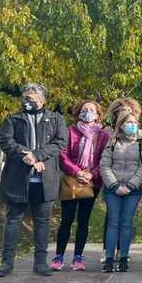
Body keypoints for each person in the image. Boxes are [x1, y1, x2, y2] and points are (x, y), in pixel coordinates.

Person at [0, 83, 68, 277]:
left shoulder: (56, 119)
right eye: (24, 97)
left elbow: (60, 142)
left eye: (30, 99)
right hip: (17, 179)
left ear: (42, 101)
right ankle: (7, 262)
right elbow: (6, 142)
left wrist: (37, 156)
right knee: (12, 221)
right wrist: (28, 157)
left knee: (42, 222)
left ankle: (40, 262)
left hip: (45, 180)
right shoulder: (12, 119)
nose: (26, 101)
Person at [52, 100, 110, 271]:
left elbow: (104, 158)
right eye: (85, 110)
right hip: (71, 179)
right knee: (67, 218)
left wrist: (91, 174)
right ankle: (59, 256)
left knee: (83, 220)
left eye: (92, 110)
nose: (88, 113)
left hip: (92, 181)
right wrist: (77, 172)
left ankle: (78, 256)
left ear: (98, 114)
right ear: (78, 113)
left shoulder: (103, 135)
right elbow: (62, 156)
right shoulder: (69, 131)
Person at [99, 111, 142, 273]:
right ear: (121, 124)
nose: (132, 125)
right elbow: (105, 165)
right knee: (113, 222)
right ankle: (108, 258)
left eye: (134, 122)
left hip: (132, 190)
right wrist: (114, 185)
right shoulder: (112, 141)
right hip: (112, 189)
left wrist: (131, 185)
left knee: (126, 223)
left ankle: (123, 258)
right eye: (128, 122)